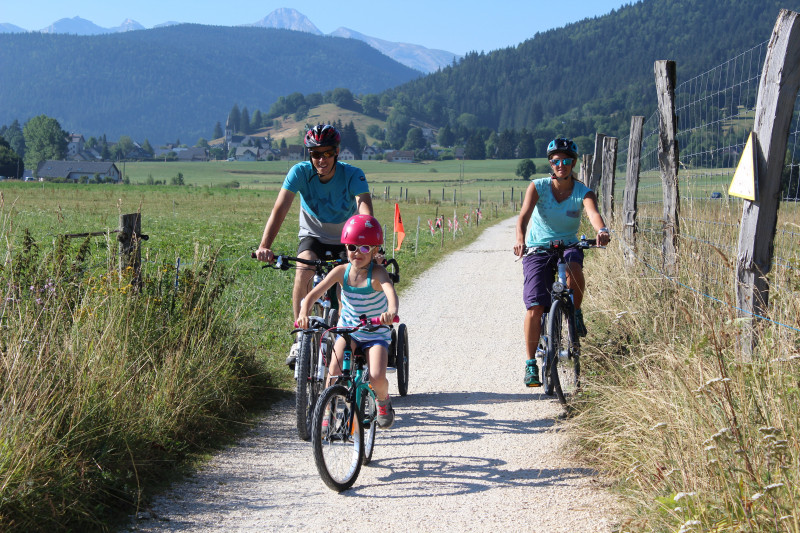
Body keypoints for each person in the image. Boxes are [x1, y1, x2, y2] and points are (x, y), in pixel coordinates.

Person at [254, 124, 373, 367]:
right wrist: (265, 245)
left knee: (347, 284)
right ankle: (300, 337)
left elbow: (364, 208)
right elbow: (280, 209)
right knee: (303, 270)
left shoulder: (352, 174)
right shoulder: (299, 172)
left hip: (346, 238)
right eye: (316, 154)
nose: (321, 159)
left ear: (337, 152)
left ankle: (346, 340)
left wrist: (368, 244)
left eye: (327, 153)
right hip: (313, 236)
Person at [513, 137, 610, 388]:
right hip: (538, 248)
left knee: (574, 269)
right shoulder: (538, 187)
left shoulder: (582, 191)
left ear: (573, 164)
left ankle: (575, 313)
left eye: (566, 161)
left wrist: (601, 230)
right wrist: (520, 239)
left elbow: (593, 214)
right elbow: (523, 217)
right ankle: (531, 364)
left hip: (568, 245)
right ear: (550, 163)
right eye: (556, 161)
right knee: (535, 306)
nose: (561, 165)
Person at [296, 214, 399, 428]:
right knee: (333, 371)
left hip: (375, 332)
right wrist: (304, 312)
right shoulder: (340, 272)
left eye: (364, 248)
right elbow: (313, 294)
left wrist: (391, 311)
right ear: (345, 247)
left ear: (374, 250)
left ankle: (383, 401)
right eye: (352, 247)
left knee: (376, 376)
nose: (357, 253)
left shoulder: (378, 273)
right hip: (348, 330)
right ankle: (328, 411)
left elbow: (391, 293)